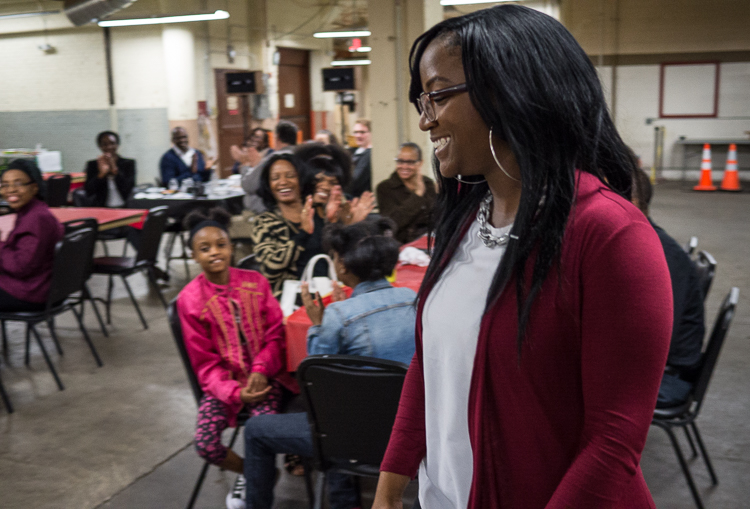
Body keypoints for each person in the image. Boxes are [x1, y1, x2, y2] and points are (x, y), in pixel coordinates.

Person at [373, 6, 673, 509]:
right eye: (422, 100)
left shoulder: (610, 235)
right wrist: (387, 492)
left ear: (510, 91)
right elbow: (429, 367)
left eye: (438, 95)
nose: (425, 120)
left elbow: (613, 440)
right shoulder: (466, 219)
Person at [243, 220, 417, 509]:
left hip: (356, 438)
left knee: (257, 430)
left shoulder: (338, 316)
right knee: (340, 413)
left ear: (344, 265)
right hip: (411, 432)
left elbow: (316, 387)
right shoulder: (412, 298)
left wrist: (319, 325)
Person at [176, 208, 297, 509]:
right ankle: (253, 473)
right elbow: (204, 365)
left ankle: (258, 485)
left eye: (220, 244)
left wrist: (260, 368)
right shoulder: (189, 300)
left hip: (265, 380)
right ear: (193, 256)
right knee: (205, 444)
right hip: (223, 387)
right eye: (204, 249)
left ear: (231, 246)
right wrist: (233, 392)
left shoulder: (256, 281)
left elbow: (275, 335)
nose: (214, 253)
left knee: (263, 432)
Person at [632, 168, 706, 405]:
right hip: (659, 367)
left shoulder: (659, 254)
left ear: (633, 202)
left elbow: (654, 343)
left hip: (670, 376)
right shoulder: (643, 241)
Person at [0, 159, 64, 311]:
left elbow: (19, 268)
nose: (11, 190)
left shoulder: (36, 219)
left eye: (19, 184)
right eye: (5, 185)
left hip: (30, 293)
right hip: (42, 287)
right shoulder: (36, 212)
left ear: (34, 187)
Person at [376, 142, 437, 243]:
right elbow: (392, 223)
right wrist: (418, 194)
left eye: (410, 162)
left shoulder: (428, 184)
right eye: (400, 161)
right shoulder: (385, 188)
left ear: (420, 163)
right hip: (401, 244)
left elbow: (435, 216)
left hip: (429, 241)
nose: (404, 166)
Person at [83, 131, 136, 207]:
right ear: (100, 146)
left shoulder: (128, 163)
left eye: (112, 143)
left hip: (125, 206)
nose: (109, 147)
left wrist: (115, 169)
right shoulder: (93, 164)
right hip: (101, 207)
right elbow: (89, 191)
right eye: (105, 144)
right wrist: (101, 174)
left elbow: (129, 188)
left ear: (117, 144)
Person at [346, 119, 372, 197]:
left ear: (371, 133)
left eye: (362, 132)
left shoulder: (370, 154)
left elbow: (356, 180)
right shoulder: (354, 152)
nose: (358, 135)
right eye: (356, 132)